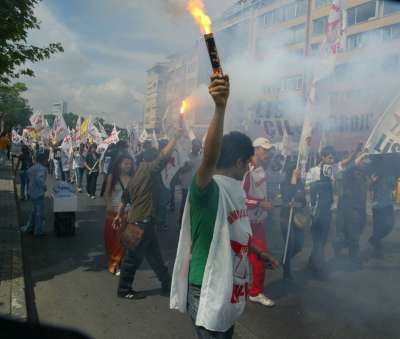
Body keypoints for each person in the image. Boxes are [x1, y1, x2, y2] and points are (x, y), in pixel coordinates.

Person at [171, 75, 278, 338]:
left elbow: (237, 229)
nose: (250, 168)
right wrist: (220, 107)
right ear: (239, 162)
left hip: (229, 281)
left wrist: (257, 252)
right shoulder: (208, 188)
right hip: (207, 283)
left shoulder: (234, 190)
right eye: (248, 162)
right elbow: (209, 156)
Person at [113, 130, 183, 300]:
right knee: (132, 259)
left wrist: (118, 215)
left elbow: (125, 196)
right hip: (141, 223)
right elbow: (162, 159)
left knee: (155, 256)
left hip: (142, 222)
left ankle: (167, 285)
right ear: (151, 160)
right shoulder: (149, 170)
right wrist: (174, 138)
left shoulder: (138, 173)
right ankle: (124, 290)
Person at [242, 137, 277, 307]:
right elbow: (239, 199)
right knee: (235, 258)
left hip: (257, 221)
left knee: (259, 257)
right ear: (255, 149)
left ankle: (255, 292)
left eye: (269, 149)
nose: (268, 153)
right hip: (242, 222)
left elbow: (260, 194)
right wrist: (259, 203)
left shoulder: (262, 169)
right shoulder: (245, 171)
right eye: (265, 149)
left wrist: (267, 202)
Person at [333, 150, 369, 268]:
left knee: (356, 231)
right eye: (363, 159)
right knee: (353, 235)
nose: (365, 161)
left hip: (360, 207)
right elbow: (347, 169)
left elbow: (365, 187)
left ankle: (341, 245)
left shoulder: (362, 173)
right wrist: (359, 157)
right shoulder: (349, 171)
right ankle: (353, 260)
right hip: (350, 208)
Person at [306, 145, 336, 278]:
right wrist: (311, 211)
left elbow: (333, 192)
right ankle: (319, 269)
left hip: (327, 210)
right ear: (323, 157)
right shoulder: (314, 171)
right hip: (317, 211)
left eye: (333, 157)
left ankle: (313, 262)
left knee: (322, 241)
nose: (332, 159)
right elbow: (308, 190)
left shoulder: (331, 171)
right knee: (318, 240)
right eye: (330, 157)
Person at [104, 155, 134, 275]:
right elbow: (106, 194)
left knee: (124, 241)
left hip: (127, 213)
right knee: (113, 240)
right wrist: (109, 205)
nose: (128, 166)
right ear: (119, 164)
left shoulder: (132, 178)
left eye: (129, 164)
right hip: (113, 214)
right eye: (125, 163)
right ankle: (114, 264)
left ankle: (118, 264)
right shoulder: (112, 177)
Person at [280, 162, 306, 281]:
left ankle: (285, 259)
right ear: (292, 170)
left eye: (300, 169)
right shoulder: (285, 183)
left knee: (299, 245)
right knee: (289, 245)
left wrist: (298, 204)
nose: (299, 171)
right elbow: (288, 196)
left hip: (298, 218)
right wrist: (293, 179)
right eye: (297, 169)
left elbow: (303, 201)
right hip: (286, 217)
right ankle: (286, 271)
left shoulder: (301, 183)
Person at [369, 174, 396, 258]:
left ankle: (374, 239)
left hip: (388, 204)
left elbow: (393, 186)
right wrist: (372, 181)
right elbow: (369, 187)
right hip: (377, 205)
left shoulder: (390, 175)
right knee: (377, 228)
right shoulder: (375, 174)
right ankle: (377, 251)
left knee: (390, 225)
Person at [179, 139, 202, 225]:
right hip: (186, 184)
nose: (197, 147)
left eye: (198, 146)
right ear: (192, 146)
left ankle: (193, 221)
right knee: (185, 203)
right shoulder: (186, 157)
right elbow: (180, 170)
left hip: (197, 185)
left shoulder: (202, 158)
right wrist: (186, 167)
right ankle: (181, 221)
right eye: (195, 145)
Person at [25, 151, 48, 236]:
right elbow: (39, 179)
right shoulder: (42, 168)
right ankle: (38, 231)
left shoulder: (33, 167)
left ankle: (30, 227)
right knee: (39, 212)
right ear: (43, 160)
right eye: (46, 160)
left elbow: (28, 173)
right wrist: (44, 186)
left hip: (32, 191)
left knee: (34, 211)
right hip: (38, 192)